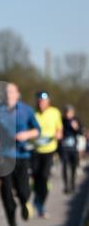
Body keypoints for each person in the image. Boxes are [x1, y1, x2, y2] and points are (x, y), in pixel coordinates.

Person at [0, 83, 40, 226]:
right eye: (6, 92)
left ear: (18, 94)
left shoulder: (26, 110)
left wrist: (27, 135)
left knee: (23, 189)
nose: (8, 94)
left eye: (11, 92)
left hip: (22, 155)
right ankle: (13, 225)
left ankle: (25, 202)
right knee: (6, 192)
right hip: (4, 155)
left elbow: (37, 130)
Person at [32, 90, 63, 218]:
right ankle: (37, 198)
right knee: (35, 178)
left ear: (48, 101)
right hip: (35, 150)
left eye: (43, 101)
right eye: (39, 101)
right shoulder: (33, 114)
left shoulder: (55, 112)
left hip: (49, 150)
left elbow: (59, 129)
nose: (41, 104)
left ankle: (41, 205)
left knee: (44, 177)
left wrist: (58, 134)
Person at [59, 105, 82, 194]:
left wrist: (76, 127)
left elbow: (80, 132)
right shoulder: (62, 120)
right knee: (64, 166)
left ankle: (72, 183)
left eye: (70, 112)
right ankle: (66, 185)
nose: (68, 114)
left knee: (73, 167)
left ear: (73, 113)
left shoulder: (76, 120)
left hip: (73, 149)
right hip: (64, 148)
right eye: (67, 112)